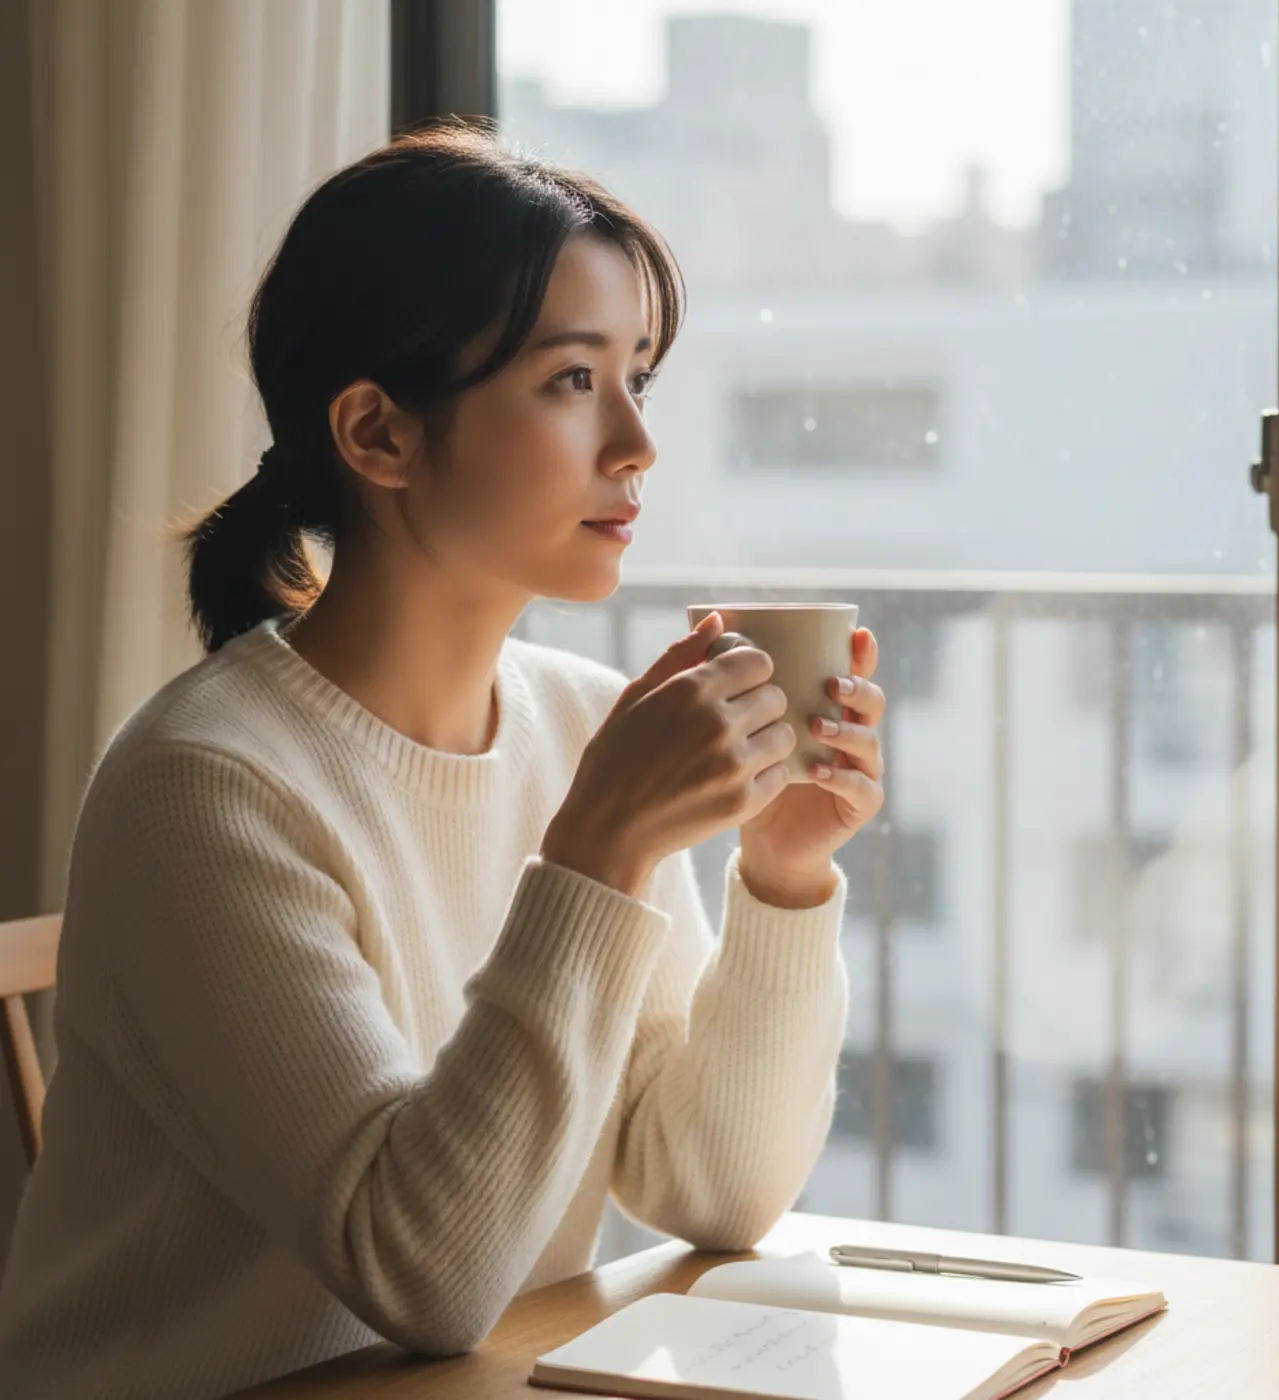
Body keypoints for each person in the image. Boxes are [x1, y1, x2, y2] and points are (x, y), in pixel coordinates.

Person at [0, 120, 885, 1399]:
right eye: (572, 381)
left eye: (637, 374)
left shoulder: (581, 723)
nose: (636, 443)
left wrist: (783, 877)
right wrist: (597, 847)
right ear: (377, 433)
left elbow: (708, 1187)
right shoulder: (205, 784)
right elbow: (421, 1273)